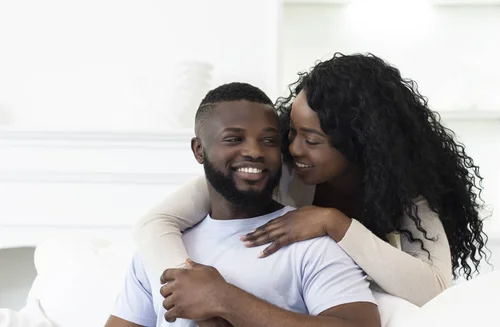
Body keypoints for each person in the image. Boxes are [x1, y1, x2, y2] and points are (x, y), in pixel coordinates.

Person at [134, 53, 490, 307]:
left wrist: (334, 223)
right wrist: (187, 283)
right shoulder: (277, 170)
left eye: (312, 140)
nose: (293, 147)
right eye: (292, 130)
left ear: (361, 147)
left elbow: (434, 289)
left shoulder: (406, 197)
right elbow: (156, 222)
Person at [106, 82, 380, 327]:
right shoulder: (160, 251)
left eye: (269, 140)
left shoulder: (310, 244)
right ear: (199, 150)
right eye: (234, 139)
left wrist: (226, 300)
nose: (254, 151)